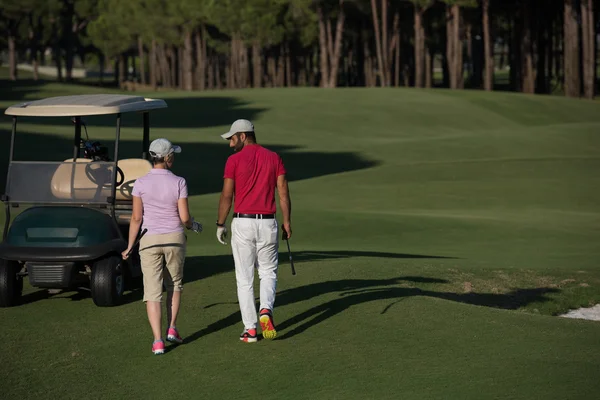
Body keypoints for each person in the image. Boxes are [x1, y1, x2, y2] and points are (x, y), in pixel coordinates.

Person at [122, 138, 202, 355]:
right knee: (174, 285)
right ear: (167, 158)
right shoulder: (179, 181)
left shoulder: (140, 183)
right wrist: (193, 225)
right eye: (172, 154)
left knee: (152, 292)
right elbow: (184, 217)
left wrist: (129, 246)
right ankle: (172, 328)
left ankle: (158, 341)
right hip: (175, 238)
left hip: (149, 241)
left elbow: (136, 218)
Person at [216, 119, 292, 343]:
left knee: (244, 278)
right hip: (268, 222)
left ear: (242, 135)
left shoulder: (233, 160)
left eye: (232, 138)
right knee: (268, 272)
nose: (230, 144)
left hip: (243, 223)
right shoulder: (274, 158)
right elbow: (283, 193)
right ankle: (266, 310)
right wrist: (287, 222)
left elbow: (227, 195)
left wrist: (220, 223)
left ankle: (250, 330)